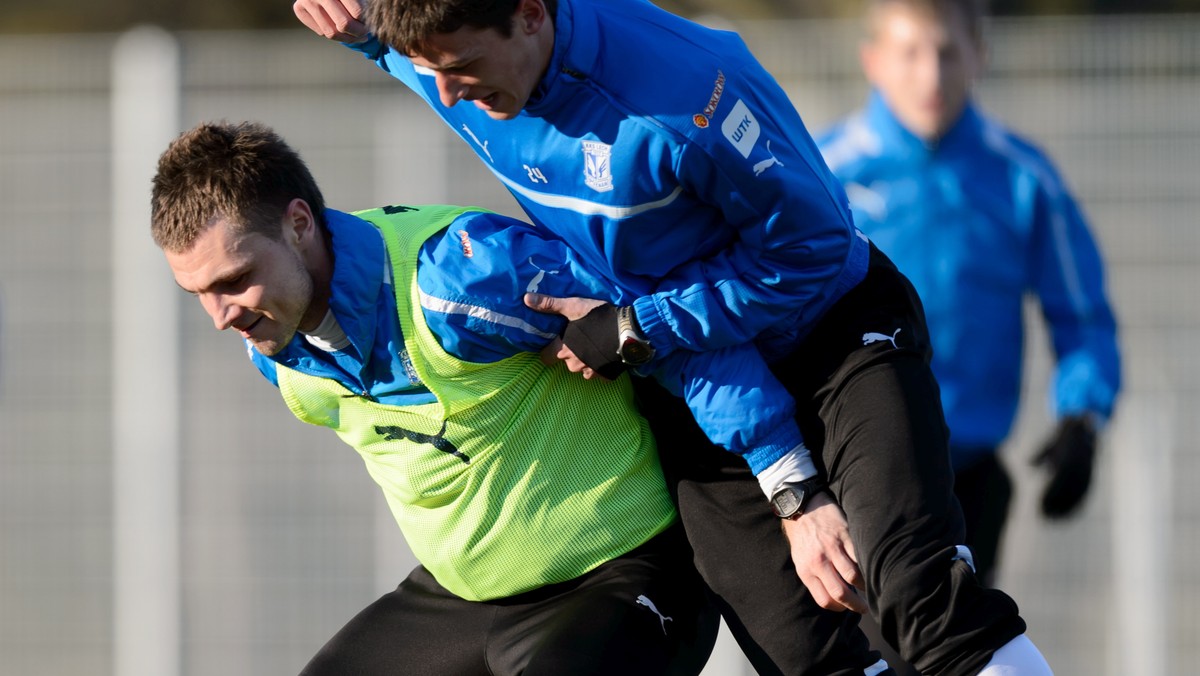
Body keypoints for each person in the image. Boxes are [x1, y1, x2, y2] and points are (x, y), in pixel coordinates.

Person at [293, 0, 1055, 672]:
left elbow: (814, 254)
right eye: (432, 72)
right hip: (703, 386)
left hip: (834, 337)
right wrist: (364, 32)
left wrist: (636, 325)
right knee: (803, 653)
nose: (449, 95)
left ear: (530, 14)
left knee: (919, 596)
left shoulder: (685, 96)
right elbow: (421, 56)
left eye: (459, 69)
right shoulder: (463, 61)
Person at [150, 120, 723, 676]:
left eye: (234, 278)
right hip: (462, 600)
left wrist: (783, 486)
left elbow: (671, 313)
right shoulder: (272, 343)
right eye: (197, 292)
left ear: (298, 223)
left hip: (620, 574)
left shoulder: (460, 280)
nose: (221, 317)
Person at [816, 0, 1121, 587]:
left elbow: (1082, 317)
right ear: (874, 60)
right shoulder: (827, 174)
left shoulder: (1023, 179)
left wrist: (1082, 417)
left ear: (978, 55)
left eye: (947, 52)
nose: (931, 75)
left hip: (969, 476)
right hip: (852, 471)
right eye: (910, 53)